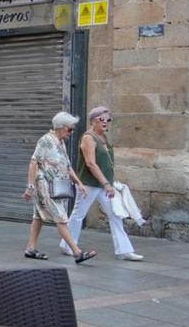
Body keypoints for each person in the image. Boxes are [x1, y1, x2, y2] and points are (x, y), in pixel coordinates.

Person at [61, 106, 143, 261]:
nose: (106, 122)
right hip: (89, 184)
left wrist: (109, 183)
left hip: (103, 185)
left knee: (115, 216)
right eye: (102, 119)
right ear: (93, 121)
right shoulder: (88, 138)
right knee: (79, 215)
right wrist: (106, 183)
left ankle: (124, 251)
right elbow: (91, 163)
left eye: (108, 120)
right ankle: (67, 246)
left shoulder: (103, 138)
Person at [22, 112, 96, 264]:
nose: (72, 133)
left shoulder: (60, 143)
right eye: (70, 129)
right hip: (45, 187)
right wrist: (30, 186)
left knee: (38, 218)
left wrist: (79, 183)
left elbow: (67, 167)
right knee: (61, 218)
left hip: (56, 187)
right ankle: (77, 253)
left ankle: (30, 248)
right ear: (60, 127)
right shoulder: (46, 141)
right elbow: (33, 162)